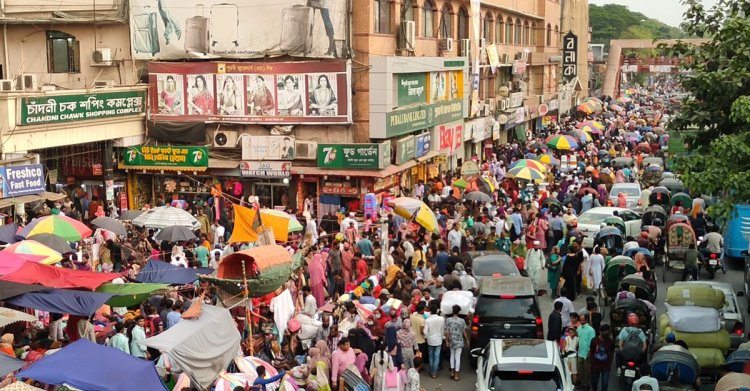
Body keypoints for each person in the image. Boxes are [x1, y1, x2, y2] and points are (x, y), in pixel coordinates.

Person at [444, 304, 467, 381]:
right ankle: (457, 375)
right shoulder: (462, 321)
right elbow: (464, 332)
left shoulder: (448, 320)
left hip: (451, 340)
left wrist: (446, 341)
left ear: (452, 311)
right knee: (458, 358)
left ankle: (452, 373)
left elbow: (446, 332)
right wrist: (467, 340)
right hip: (459, 341)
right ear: (459, 311)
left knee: (452, 356)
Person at [590, 324, 616, 391]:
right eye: (604, 332)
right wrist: (590, 363)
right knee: (594, 383)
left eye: (608, 332)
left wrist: (610, 362)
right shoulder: (594, 340)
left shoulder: (610, 342)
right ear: (600, 332)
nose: (606, 333)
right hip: (595, 366)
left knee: (605, 384)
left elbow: (612, 352)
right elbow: (591, 352)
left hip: (606, 366)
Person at [423, 301, 445, 378]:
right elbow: (442, 330)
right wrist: (442, 337)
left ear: (430, 311)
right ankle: (434, 372)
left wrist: (427, 337)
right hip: (439, 340)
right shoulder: (441, 319)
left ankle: (432, 371)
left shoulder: (428, 320)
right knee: (437, 356)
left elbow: (425, 332)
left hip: (430, 340)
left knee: (431, 356)